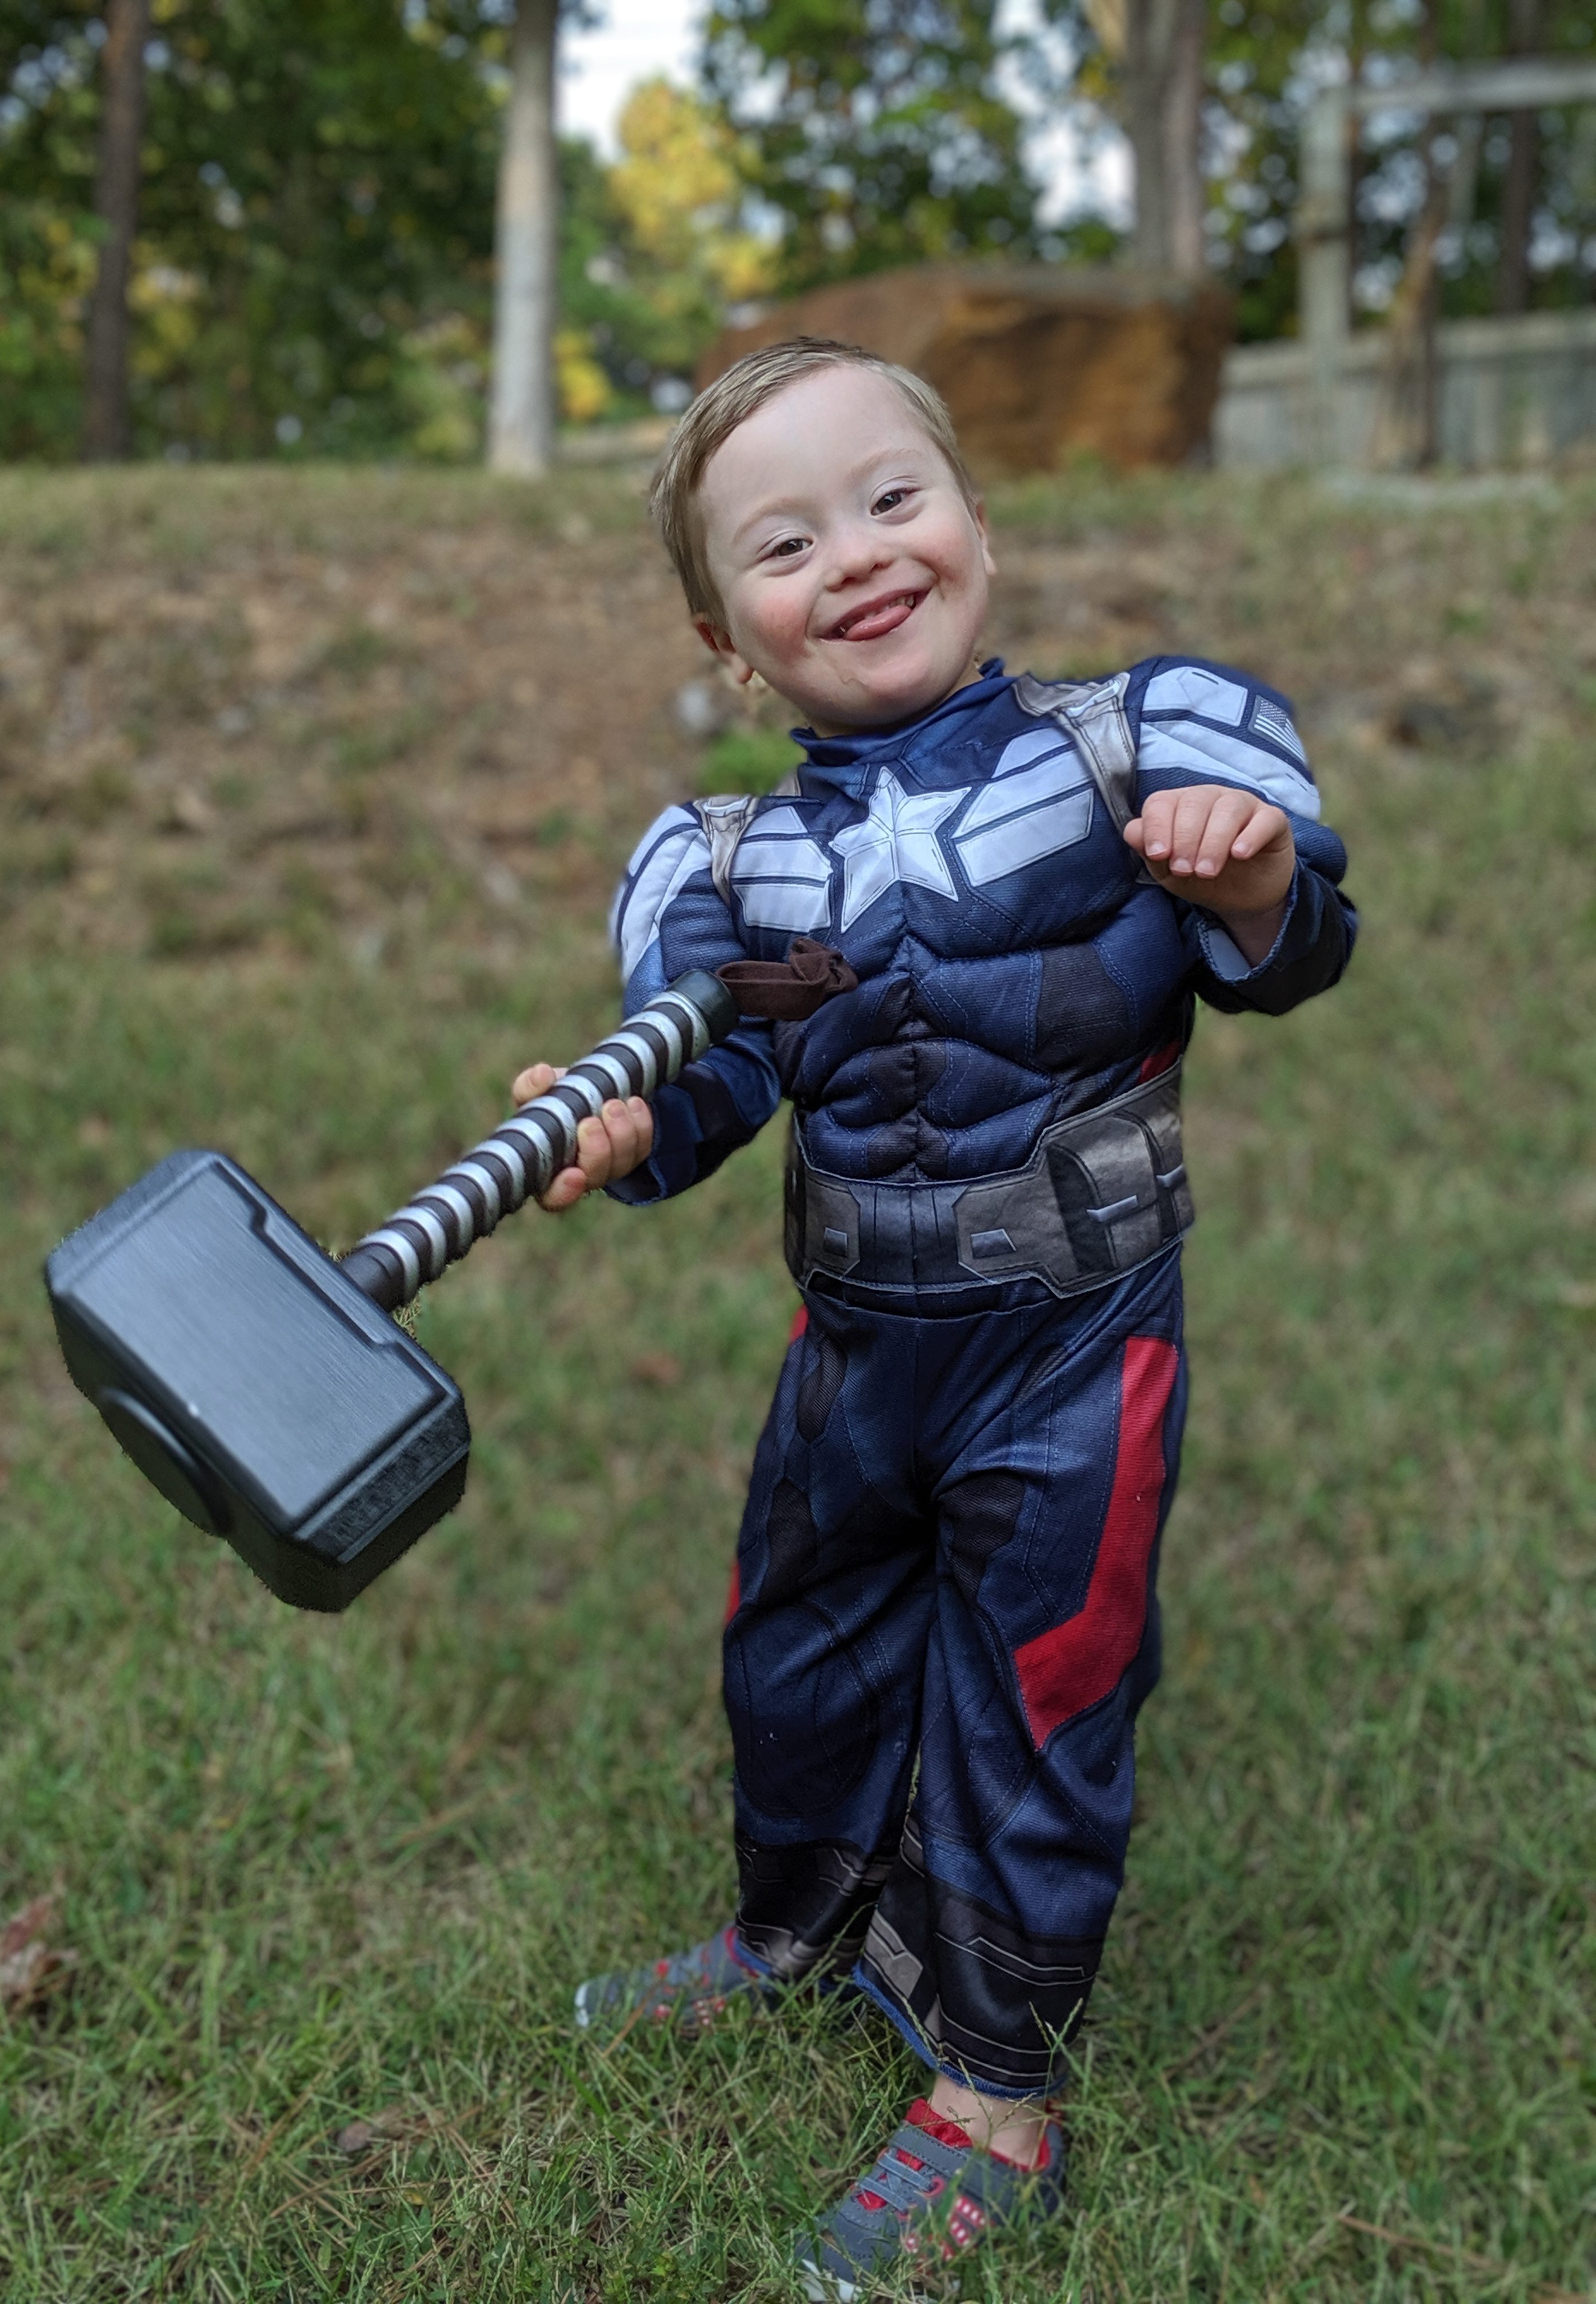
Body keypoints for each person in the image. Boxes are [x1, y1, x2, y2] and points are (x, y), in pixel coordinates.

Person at [509, 337, 1356, 2297]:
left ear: (974, 520)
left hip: (1077, 1347)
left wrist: (1237, 888)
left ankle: (994, 2088)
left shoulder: (1136, 752)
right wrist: (632, 1117)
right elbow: (706, 1097)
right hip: (857, 1352)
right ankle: (787, 1932)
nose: (862, 555)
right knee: (793, 1649)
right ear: (734, 643)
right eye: (787, 544)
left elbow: (1297, 948)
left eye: (895, 498)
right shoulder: (727, 865)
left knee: (1040, 1689)